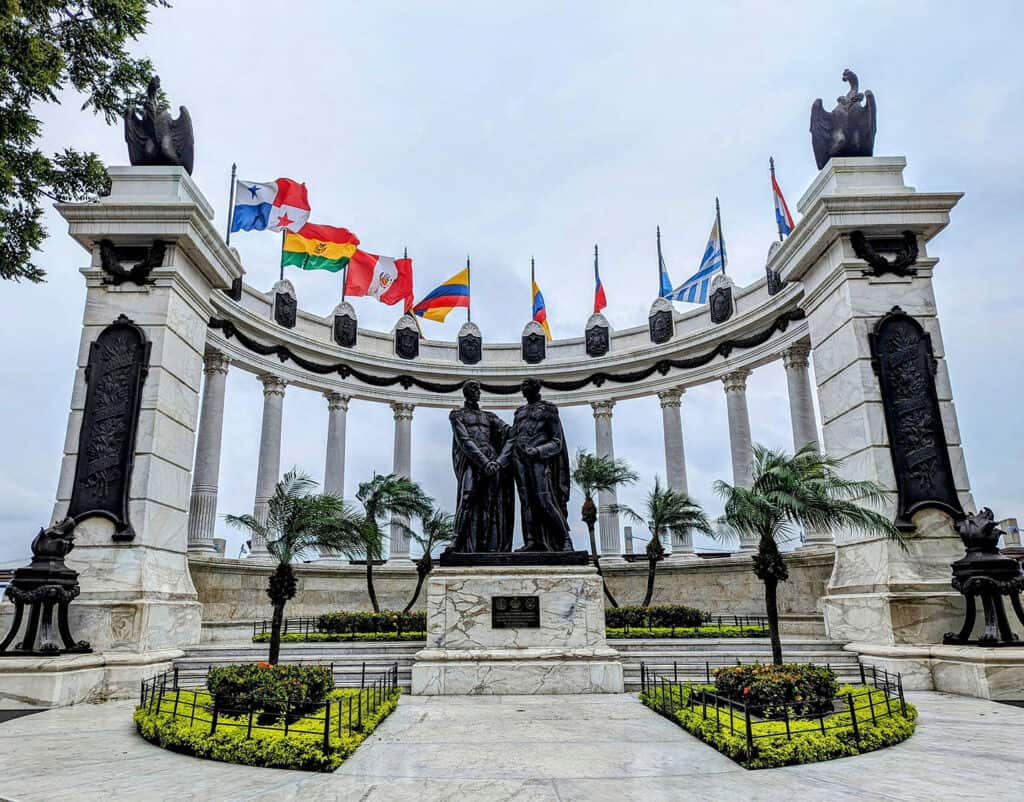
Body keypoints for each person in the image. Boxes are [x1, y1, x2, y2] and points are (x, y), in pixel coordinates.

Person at [499, 378, 574, 552]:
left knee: (544, 500)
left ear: (535, 388)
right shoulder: (519, 413)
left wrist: (538, 451)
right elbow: (512, 440)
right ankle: (532, 540)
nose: (523, 389)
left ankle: (565, 539)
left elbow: (557, 442)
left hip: (539, 461)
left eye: (526, 386)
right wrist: (499, 462)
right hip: (519, 460)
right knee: (526, 502)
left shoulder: (548, 409)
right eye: (522, 387)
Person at [448, 381, 515, 553]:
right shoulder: (457, 415)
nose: (477, 392)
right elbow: (464, 441)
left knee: (490, 503)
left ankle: (486, 544)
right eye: (473, 389)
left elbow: (509, 432)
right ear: (466, 393)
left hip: (491, 460)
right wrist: (484, 462)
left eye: (478, 389)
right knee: (467, 496)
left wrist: (499, 460)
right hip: (473, 462)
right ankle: (457, 539)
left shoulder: (489, 416)